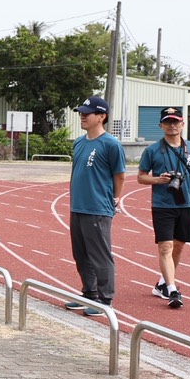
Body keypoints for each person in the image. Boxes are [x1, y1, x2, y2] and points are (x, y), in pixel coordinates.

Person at [136, 107, 190, 310]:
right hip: (163, 205)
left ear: (182, 124)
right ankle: (172, 289)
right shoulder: (152, 150)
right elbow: (141, 177)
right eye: (167, 122)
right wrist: (158, 179)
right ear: (161, 125)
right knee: (165, 246)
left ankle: (162, 283)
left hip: (187, 203)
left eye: (175, 122)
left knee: (179, 246)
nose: (172, 125)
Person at [65, 94, 124, 318]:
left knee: (100, 255)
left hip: (98, 208)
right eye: (81, 113)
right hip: (78, 207)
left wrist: (116, 198)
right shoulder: (79, 142)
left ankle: (105, 299)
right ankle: (89, 293)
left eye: (87, 113)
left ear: (101, 116)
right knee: (80, 255)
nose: (82, 116)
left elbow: (120, 176)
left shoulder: (111, 144)